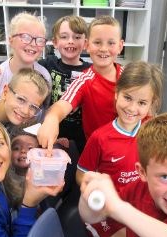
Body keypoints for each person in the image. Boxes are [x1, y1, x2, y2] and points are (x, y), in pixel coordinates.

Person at [76, 61, 163, 237]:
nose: (132, 108)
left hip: (142, 207)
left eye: (141, 103)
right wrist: (98, 191)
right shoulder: (100, 138)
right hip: (106, 213)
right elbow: (81, 174)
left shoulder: (154, 133)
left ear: (151, 104)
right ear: (116, 94)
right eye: (127, 98)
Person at [0, 15, 91, 154]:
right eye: (64, 37)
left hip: (58, 136)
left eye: (39, 40)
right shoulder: (48, 65)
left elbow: (41, 114)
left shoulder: (46, 72)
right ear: (55, 42)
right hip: (1, 140)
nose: (70, 41)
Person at [37, 16, 124, 153]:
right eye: (97, 42)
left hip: (129, 145)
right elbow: (61, 105)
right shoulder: (83, 80)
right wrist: (52, 119)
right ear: (88, 45)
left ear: (120, 46)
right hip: (97, 150)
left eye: (111, 43)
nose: (103, 48)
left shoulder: (129, 77)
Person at [0, 12, 52, 103]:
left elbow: (44, 111)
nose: (33, 44)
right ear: (11, 40)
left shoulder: (44, 76)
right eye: (25, 37)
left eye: (40, 40)